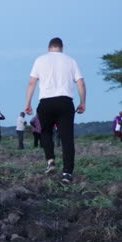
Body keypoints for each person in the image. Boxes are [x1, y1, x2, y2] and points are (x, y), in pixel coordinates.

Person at [24, 37, 86, 184]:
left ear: (49, 47)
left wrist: (28, 103)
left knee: (45, 131)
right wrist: (83, 102)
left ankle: (50, 160)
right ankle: (67, 174)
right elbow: (81, 83)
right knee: (67, 139)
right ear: (62, 47)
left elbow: (32, 82)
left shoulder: (40, 60)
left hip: (46, 102)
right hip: (65, 102)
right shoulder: (70, 61)